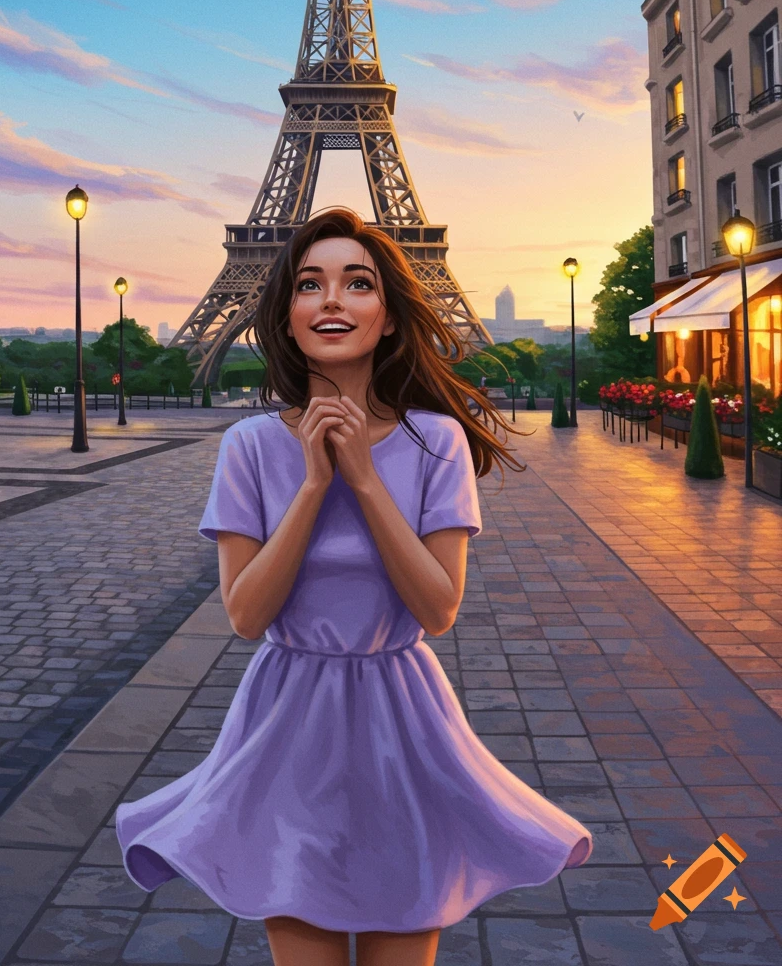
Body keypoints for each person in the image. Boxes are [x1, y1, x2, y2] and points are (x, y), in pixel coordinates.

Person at [116, 207, 593, 966]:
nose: (331, 299)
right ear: (287, 316)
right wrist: (311, 488)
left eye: (356, 283)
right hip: (285, 724)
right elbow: (245, 615)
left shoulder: (435, 441)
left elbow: (439, 609)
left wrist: (365, 481)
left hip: (401, 725)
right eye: (310, 285)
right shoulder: (249, 448)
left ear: (391, 319)